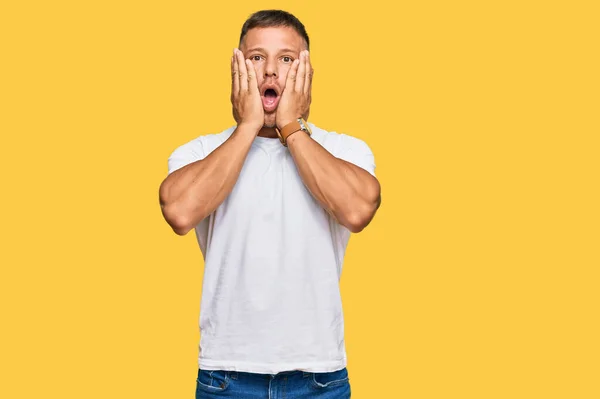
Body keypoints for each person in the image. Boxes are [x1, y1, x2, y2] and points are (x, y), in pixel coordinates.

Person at [158, 9, 381, 398]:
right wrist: (248, 126)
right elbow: (179, 211)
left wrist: (291, 128)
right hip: (225, 377)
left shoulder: (346, 150)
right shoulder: (200, 151)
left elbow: (358, 210)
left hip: (319, 378)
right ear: (237, 70)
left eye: (287, 59)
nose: (270, 71)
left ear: (307, 73)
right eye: (257, 58)